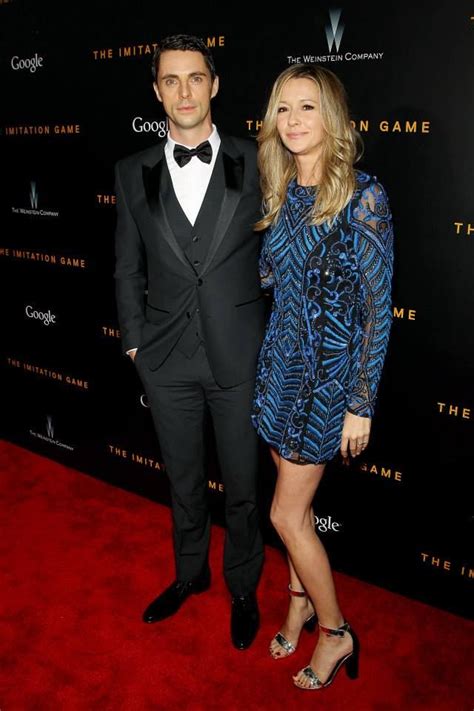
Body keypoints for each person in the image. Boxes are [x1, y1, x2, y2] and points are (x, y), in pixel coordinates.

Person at [114, 34, 265, 650]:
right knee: (182, 481)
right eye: (171, 80)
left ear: (215, 84)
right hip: (165, 358)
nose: (184, 91)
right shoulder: (131, 171)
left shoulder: (257, 159)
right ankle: (189, 573)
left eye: (195, 78)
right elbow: (127, 265)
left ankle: (243, 587)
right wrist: (133, 344)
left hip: (238, 355)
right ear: (156, 90)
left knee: (244, 487)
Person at [252, 63, 394, 689]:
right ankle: (299, 601)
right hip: (279, 372)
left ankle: (335, 633)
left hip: (325, 387)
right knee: (297, 513)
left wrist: (360, 403)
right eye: (283, 108)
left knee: (285, 516)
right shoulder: (281, 187)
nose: (293, 121)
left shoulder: (364, 196)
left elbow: (376, 308)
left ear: (331, 117)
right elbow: (270, 278)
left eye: (307, 107)